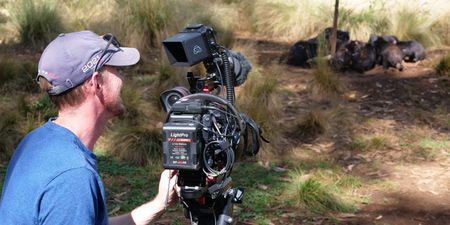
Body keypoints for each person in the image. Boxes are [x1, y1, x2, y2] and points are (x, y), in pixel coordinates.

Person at [0, 31, 178, 225]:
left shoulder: (36, 141)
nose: (122, 79)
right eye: (116, 70)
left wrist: (160, 204)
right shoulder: (72, 177)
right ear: (97, 83)